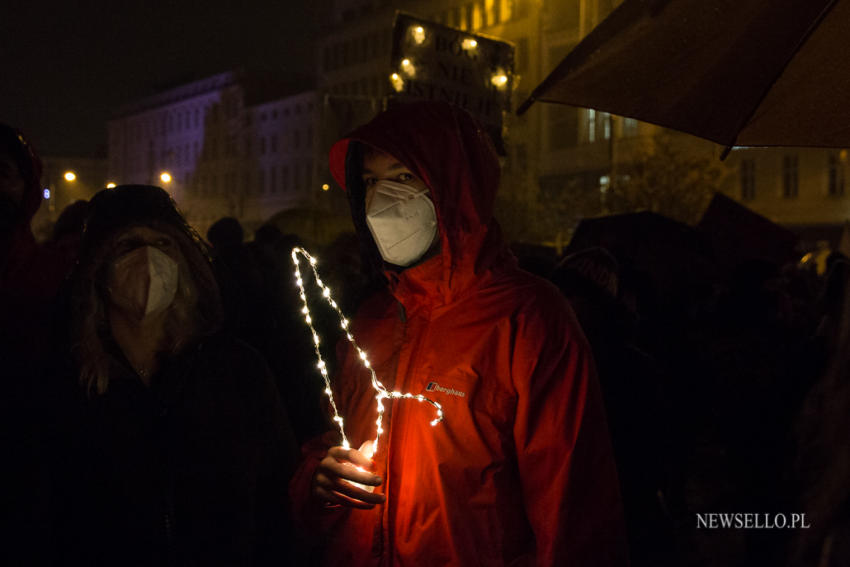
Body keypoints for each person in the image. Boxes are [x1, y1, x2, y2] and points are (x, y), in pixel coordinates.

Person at [290, 102, 628, 566]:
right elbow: (332, 441)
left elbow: (572, 506)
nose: (382, 199)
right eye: (370, 182)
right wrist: (319, 479)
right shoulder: (370, 320)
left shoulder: (527, 318)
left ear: (453, 187)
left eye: (404, 177)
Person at [44, 185, 299, 566]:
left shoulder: (236, 370)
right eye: (127, 245)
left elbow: (279, 493)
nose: (148, 258)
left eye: (163, 244)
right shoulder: (65, 382)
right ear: (98, 268)